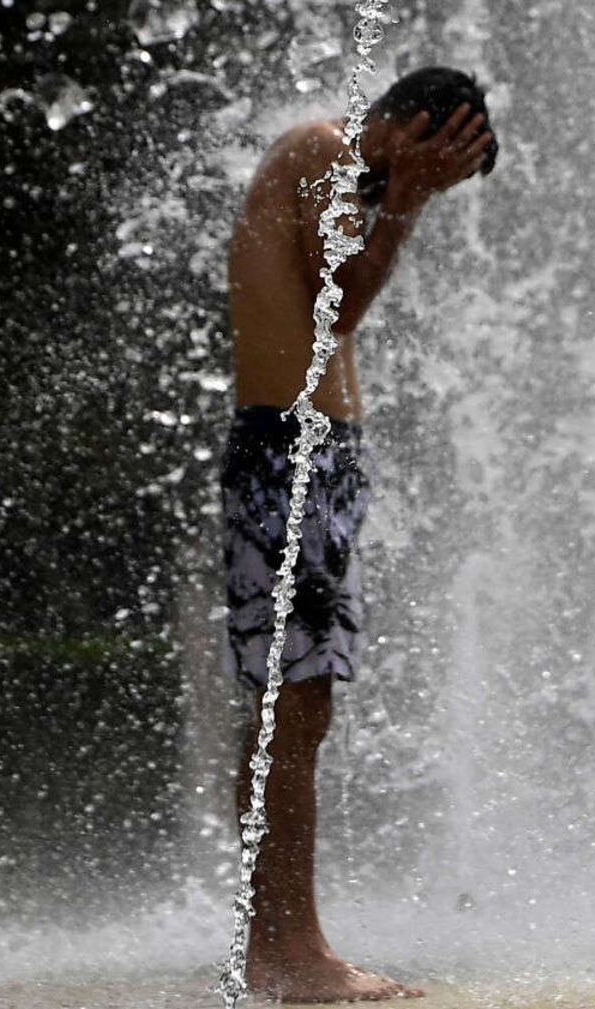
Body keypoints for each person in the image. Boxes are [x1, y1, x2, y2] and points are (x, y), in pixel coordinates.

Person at [222, 67, 495, 1003]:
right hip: (286, 452)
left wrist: (408, 193)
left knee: (299, 709)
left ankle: (276, 950)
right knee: (288, 710)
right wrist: (408, 204)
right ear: (415, 126)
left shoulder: (337, 162)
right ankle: (295, 958)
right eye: (432, 160)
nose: (411, 183)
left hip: (314, 455)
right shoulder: (325, 148)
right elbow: (339, 308)